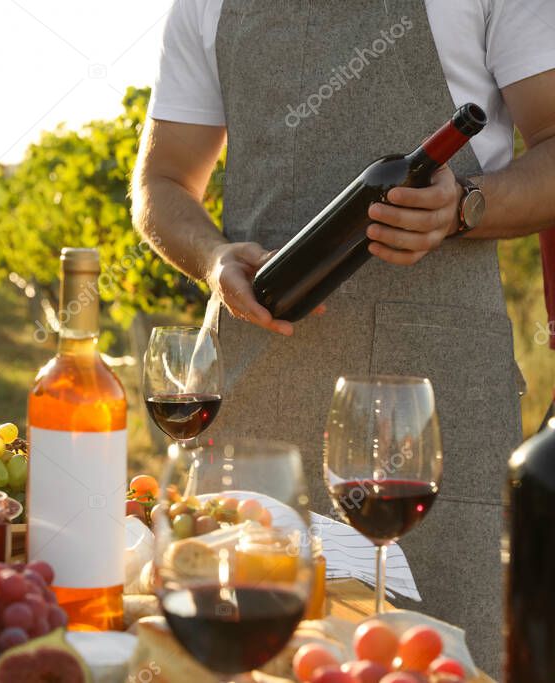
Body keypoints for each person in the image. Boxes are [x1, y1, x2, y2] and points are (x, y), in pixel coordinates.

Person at [132, 0, 555, 675]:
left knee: (436, 663)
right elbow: (161, 181)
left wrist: (466, 204)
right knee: (228, 663)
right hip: (250, 406)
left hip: (431, 425)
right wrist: (213, 258)